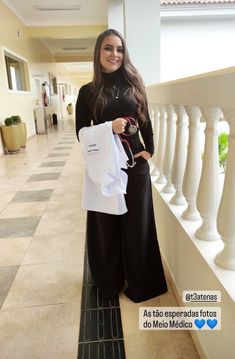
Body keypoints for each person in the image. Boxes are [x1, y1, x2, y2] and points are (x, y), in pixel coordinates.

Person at [76, 29, 167, 303]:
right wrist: (110, 128)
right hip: (105, 168)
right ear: (98, 53)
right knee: (106, 224)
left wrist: (149, 149)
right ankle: (108, 281)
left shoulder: (134, 83)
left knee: (137, 225)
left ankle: (141, 282)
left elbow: (146, 120)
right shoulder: (88, 92)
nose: (114, 54)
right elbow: (81, 133)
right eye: (107, 48)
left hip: (135, 168)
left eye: (119, 49)